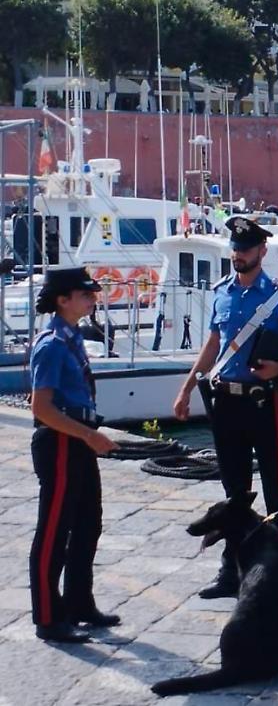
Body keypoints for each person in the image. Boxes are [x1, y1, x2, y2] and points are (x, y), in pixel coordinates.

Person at [173, 217, 278, 598]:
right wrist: (187, 387)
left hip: (262, 401)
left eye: (246, 250)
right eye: (235, 249)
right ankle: (232, 571)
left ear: (262, 251)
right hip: (226, 401)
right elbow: (212, 346)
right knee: (234, 490)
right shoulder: (222, 292)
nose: (239, 255)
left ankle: (277, 567)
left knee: (275, 485)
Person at [28, 268, 120, 643]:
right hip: (61, 440)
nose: (92, 299)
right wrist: (88, 435)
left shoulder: (72, 337)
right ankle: (49, 617)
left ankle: (79, 603)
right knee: (54, 530)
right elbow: (42, 407)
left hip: (78, 439)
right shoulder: (51, 344)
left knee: (87, 524)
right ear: (63, 300)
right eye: (84, 295)